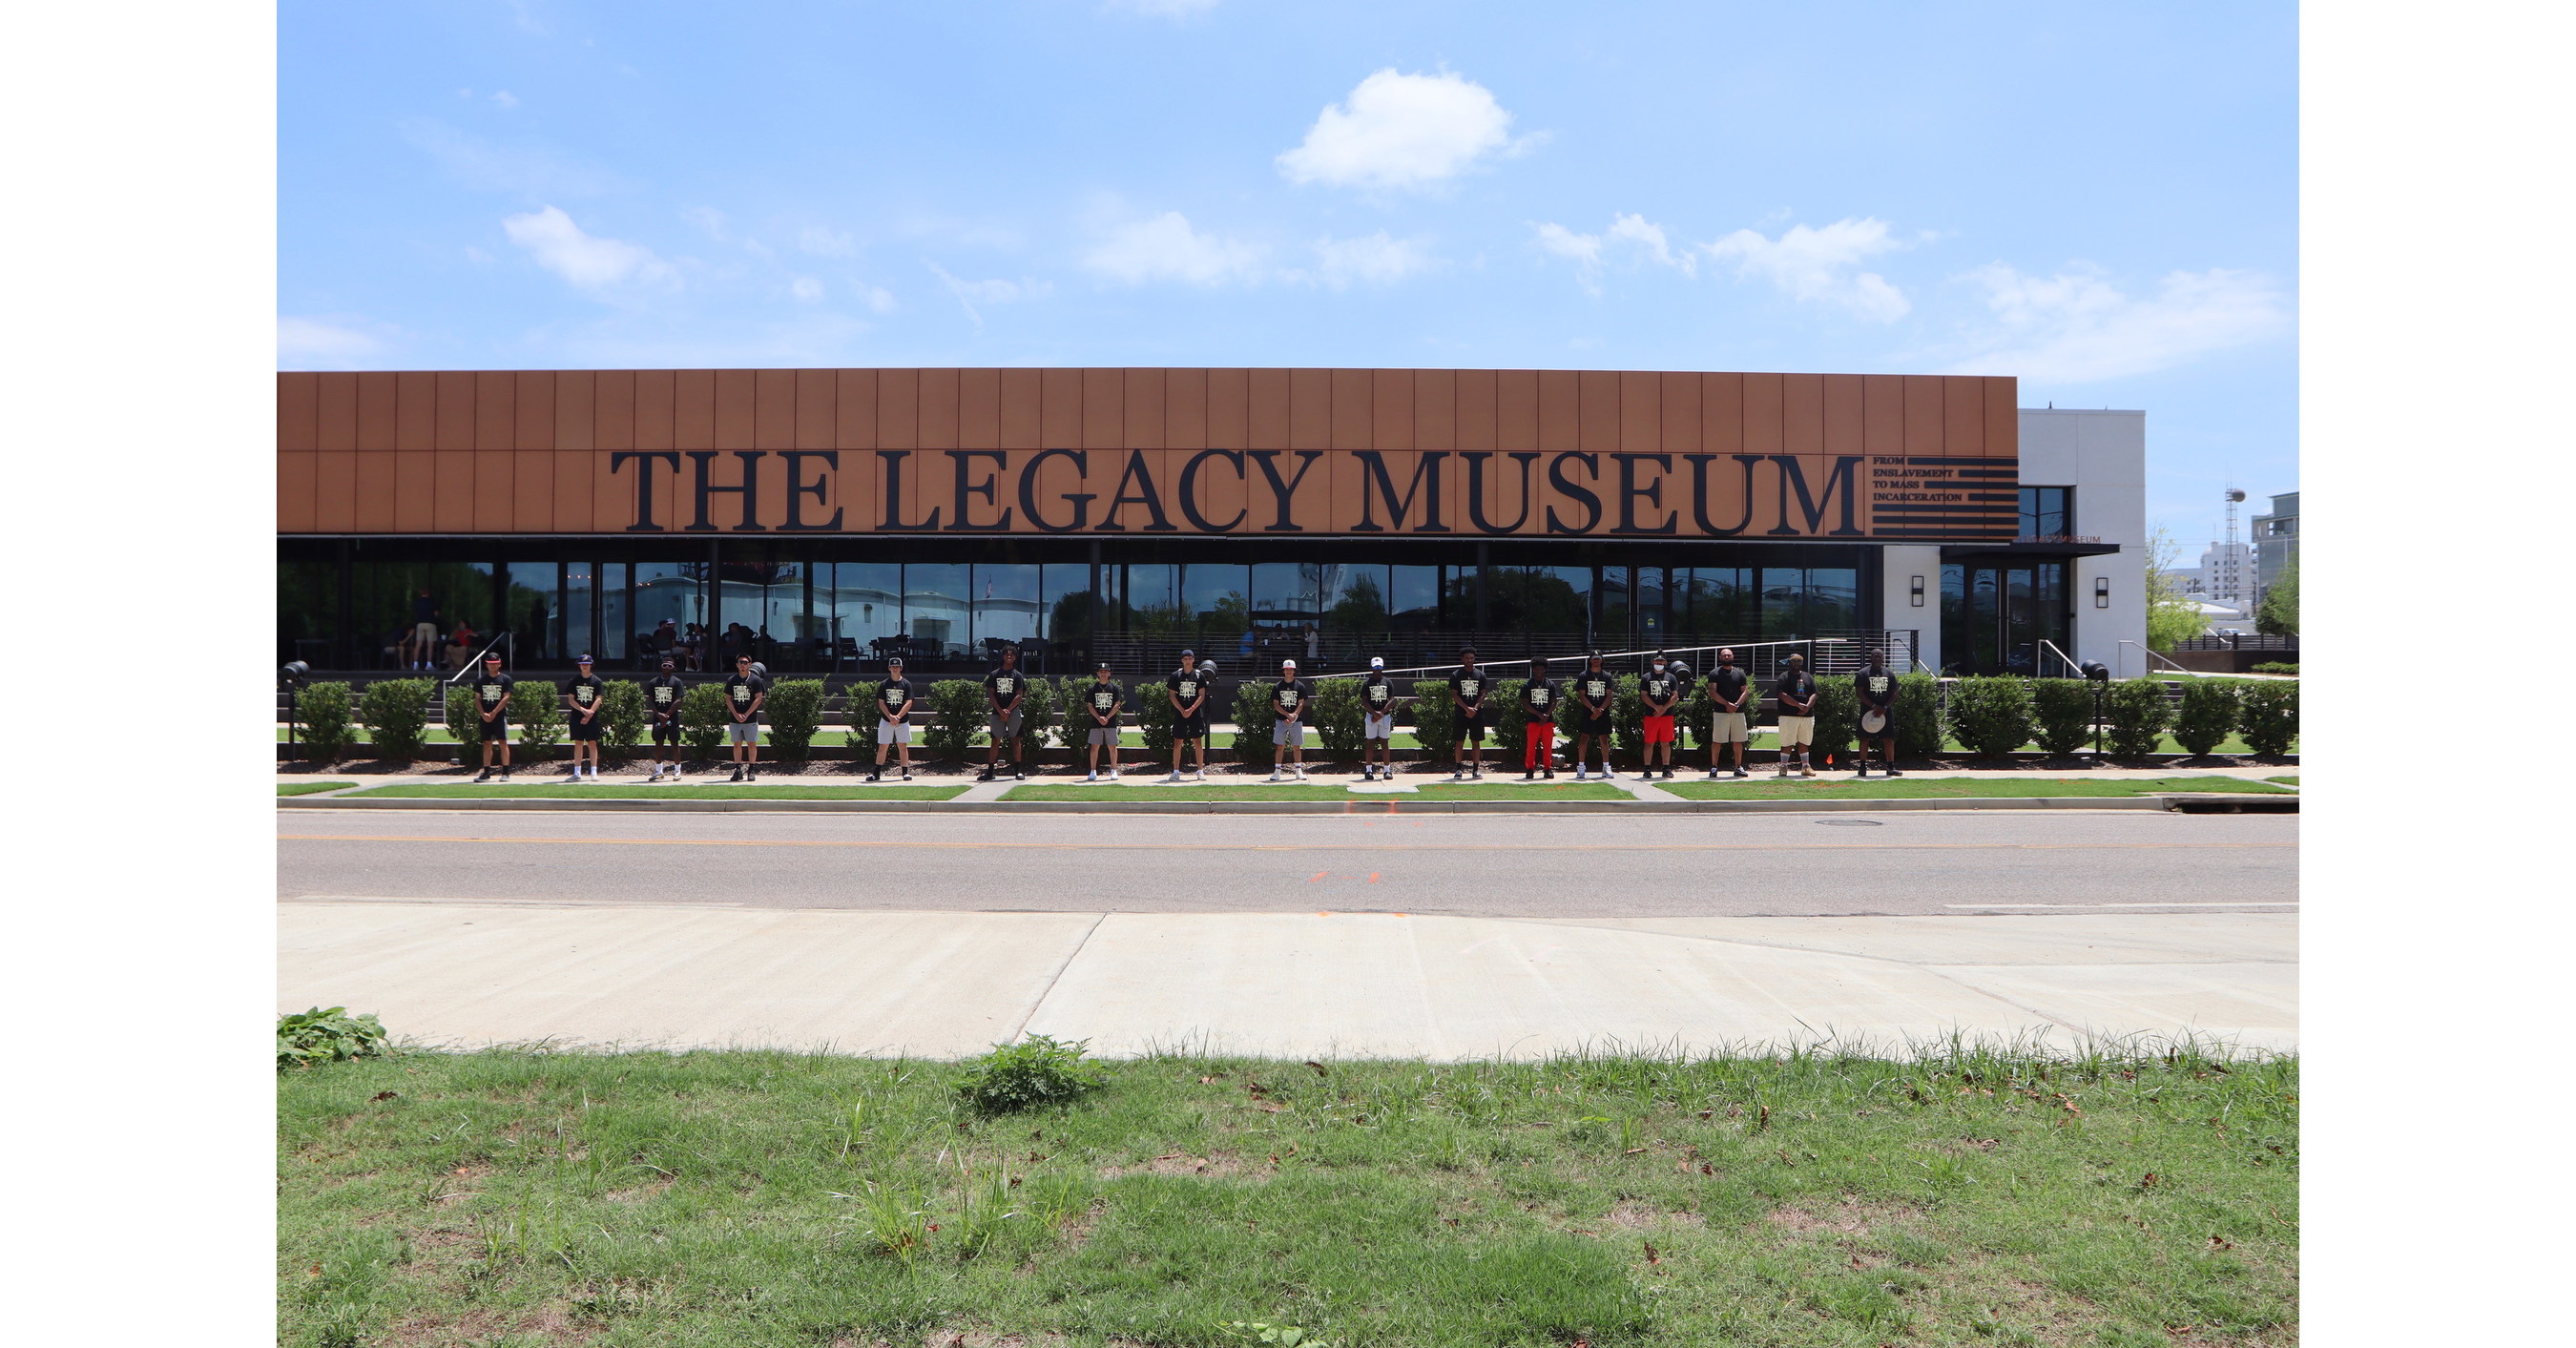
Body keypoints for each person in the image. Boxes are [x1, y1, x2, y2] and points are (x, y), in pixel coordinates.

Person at [980, 645, 1028, 782]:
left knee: (1016, 740)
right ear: (1002, 656)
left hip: (1013, 713)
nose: (1009, 657)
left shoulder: (1017, 675)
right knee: (995, 740)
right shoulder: (995, 674)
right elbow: (991, 693)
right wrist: (1001, 711)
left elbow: (1020, 695)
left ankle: (1018, 771)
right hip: (997, 712)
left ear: (1015, 657)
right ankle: (990, 771)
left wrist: (1008, 710)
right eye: (1007, 654)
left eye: (1012, 655)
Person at [1854, 648, 1903, 778]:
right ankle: (1862, 767)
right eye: (1875, 656)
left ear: (1882, 658)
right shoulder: (1863, 673)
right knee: (1864, 738)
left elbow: (1894, 692)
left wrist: (1885, 706)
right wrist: (1873, 706)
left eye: (1879, 656)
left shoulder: (1889, 674)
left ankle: (1890, 767)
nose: (1877, 658)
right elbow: (1859, 692)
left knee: (1888, 738)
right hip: (1867, 711)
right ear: (1871, 657)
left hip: (1885, 711)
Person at [1164, 650, 1211, 782]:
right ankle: (1176, 771)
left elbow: (1201, 695)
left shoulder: (1199, 675)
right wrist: (1182, 710)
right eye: (1185, 658)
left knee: (1197, 741)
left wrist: (1191, 709)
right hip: (1180, 713)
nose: (1188, 661)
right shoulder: (1175, 676)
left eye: (1190, 658)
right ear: (1182, 660)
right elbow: (1172, 695)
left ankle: (1200, 771)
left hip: (1195, 713)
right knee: (1178, 742)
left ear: (1193, 660)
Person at [1704, 648, 1752, 778]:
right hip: (1720, 712)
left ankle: (1738, 767)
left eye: (1728, 655)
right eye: (1724, 655)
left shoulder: (1740, 674)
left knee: (1738, 740)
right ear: (1720, 657)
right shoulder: (1714, 673)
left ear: (1733, 657)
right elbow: (1713, 692)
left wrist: (1736, 705)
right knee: (1717, 740)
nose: (1726, 657)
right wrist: (1726, 704)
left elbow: (1745, 691)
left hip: (1738, 712)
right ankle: (1714, 767)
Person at [867, 657, 915, 781]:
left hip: (902, 720)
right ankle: (876, 773)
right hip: (886, 720)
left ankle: (905, 772)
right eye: (893, 666)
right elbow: (881, 702)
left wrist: (898, 716)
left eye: (897, 666)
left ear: (901, 668)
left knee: (902, 746)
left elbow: (909, 702)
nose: (895, 668)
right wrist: (890, 716)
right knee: (883, 746)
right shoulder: (884, 684)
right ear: (889, 668)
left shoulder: (906, 684)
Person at [469, 650, 513, 782]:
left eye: (495, 663)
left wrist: (494, 712)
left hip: (499, 716)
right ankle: (486, 772)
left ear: (499, 664)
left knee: (502, 742)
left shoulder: (505, 679)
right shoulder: (481, 680)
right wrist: (483, 714)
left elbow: (506, 697)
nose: (493, 666)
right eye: (490, 663)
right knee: (487, 743)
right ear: (486, 665)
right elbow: (477, 698)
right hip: (485, 716)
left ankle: (505, 772)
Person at [1572, 652, 1617, 779]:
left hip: (1603, 711)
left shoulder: (1607, 676)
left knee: (1604, 739)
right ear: (1590, 661)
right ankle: (1581, 768)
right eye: (1594, 659)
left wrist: (1600, 709)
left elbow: (1609, 695)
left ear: (1602, 660)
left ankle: (1606, 767)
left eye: (1598, 659)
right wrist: (1593, 709)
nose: (1596, 661)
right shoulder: (1584, 675)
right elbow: (1581, 694)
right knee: (1584, 738)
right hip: (1588, 711)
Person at [722, 653, 766, 782]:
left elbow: (759, 698)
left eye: (745, 662)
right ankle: (738, 770)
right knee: (737, 744)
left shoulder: (755, 680)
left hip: (750, 718)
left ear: (750, 665)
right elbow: (728, 698)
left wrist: (747, 714)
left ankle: (751, 770)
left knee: (751, 743)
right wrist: (736, 714)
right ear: (737, 665)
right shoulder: (732, 680)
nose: (743, 665)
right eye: (740, 662)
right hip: (735, 718)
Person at [1774, 653, 1818, 778]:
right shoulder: (1784, 677)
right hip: (1788, 715)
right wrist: (1798, 705)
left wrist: (1807, 707)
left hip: (1807, 715)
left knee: (1804, 740)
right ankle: (1783, 766)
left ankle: (1805, 766)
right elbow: (1781, 694)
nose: (1796, 663)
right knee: (1787, 741)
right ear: (1789, 662)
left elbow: (1814, 693)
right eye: (1794, 661)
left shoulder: (1808, 677)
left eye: (1799, 661)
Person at [1447, 648, 1489, 779]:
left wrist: (1475, 708)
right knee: (1459, 741)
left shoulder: (1480, 675)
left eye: (1471, 658)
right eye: (1467, 658)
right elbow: (1454, 695)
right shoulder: (1456, 675)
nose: (1469, 660)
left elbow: (1483, 693)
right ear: (1462, 659)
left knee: (1476, 741)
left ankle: (1475, 770)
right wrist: (1467, 709)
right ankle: (1458, 769)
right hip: (1461, 713)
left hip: (1476, 714)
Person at [1640, 652, 1683, 779]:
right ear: (1653, 662)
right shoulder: (1646, 677)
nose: (1659, 663)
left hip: (1667, 715)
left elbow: (1675, 695)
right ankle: (1647, 769)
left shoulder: (1671, 677)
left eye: (1661, 661)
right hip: (1651, 715)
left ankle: (1666, 768)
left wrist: (1663, 708)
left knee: (1666, 743)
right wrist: (1656, 707)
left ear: (1665, 663)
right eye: (1657, 661)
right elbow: (1643, 695)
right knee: (1649, 743)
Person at [564, 653, 607, 781]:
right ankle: (577, 773)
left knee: (592, 743)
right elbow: (571, 699)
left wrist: (590, 713)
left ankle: (594, 771)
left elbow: (599, 699)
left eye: (587, 665)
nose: (585, 667)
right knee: (578, 743)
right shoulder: (574, 681)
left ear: (591, 665)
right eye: (582, 664)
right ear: (579, 665)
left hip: (592, 717)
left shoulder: (596, 681)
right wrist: (582, 710)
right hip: (577, 716)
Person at [1268, 658, 1312, 781]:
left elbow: (1301, 703)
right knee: (1280, 746)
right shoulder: (1277, 686)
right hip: (1281, 720)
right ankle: (1277, 771)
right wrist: (1287, 715)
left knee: (1296, 746)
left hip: (1296, 721)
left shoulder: (1300, 686)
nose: (1288, 671)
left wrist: (1294, 716)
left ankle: (1298, 771)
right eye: (1286, 669)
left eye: (1290, 669)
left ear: (1294, 671)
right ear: (1283, 671)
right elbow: (1276, 704)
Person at [644, 656, 686, 782]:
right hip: (658, 717)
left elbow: (679, 700)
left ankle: (677, 771)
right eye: (665, 665)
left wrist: (667, 714)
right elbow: (650, 700)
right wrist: (658, 714)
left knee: (674, 743)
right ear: (661, 666)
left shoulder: (676, 682)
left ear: (673, 668)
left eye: (670, 666)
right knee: (658, 743)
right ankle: (658, 771)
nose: (667, 668)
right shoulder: (653, 682)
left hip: (672, 717)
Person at [1082, 659, 1125, 781]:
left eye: (1106, 671)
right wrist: (1099, 717)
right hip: (1096, 722)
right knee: (1094, 746)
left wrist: (1107, 717)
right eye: (1101, 672)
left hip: (1110, 722)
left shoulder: (1114, 688)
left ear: (1109, 673)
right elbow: (1090, 705)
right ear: (1098, 674)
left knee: (1112, 746)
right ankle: (1093, 770)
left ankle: (1114, 770)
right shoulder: (1093, 688)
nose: (1104, 674)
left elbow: (1117, 704)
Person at [1519, 657, 1561, 780]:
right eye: (1536, 669)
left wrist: (1546, 715)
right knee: (1531, 746)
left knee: (1548, 746)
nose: (1538, 671)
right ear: (1533, 670)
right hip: (1533, 720)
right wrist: (1539, 715)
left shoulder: (1550, 684)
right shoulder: (1528, 685)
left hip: (1548, 721)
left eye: (1541, 669)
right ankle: (1530, 769)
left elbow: (1554, 701)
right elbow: (1526, 704)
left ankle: (1547, 769)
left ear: (1545, 670)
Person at [1359, 656, 1399, 780]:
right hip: (1371, 716)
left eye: (1379, 667)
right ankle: (1369, 770)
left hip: (1384, 716)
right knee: (1370, 743)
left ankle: (1387, 770)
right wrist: (1374, 713)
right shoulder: (1367, 683)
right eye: (1375, 667)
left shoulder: (1387, 682)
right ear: (1371, 668)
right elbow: (1364, 701)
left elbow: (1392, 701)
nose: (1377, 670)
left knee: (1384, 742)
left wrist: (1380, 713)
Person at [410, 589, 439, 671]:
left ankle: (415, 664)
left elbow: (415, 613)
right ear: (428, 594)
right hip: (430, 623)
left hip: (420, 624)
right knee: (430, 645)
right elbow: (436, 613)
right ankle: (428, 664)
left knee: (418, 644)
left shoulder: (417, 602)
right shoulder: (432, 601)